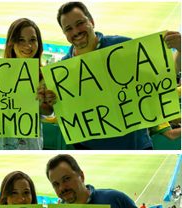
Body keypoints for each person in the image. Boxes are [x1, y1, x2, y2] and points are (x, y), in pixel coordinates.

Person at [38, 1, 181, 150]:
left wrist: (180, 49)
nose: (75, 31)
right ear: (65, 34)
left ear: (91, 22)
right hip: (89, 149)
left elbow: (164, 76)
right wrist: (49, 100)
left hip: (136, 146)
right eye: (68, 28)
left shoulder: (123, 47)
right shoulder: (61, 71)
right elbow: (55, 109)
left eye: (80, 23)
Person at [0, 18, 55, 150]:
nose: (28, 46)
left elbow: (47, 112)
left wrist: (45, 103)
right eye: (21, 40)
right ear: (12, 43)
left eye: (33, 40)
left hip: (30, 144)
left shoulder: (44, 75)